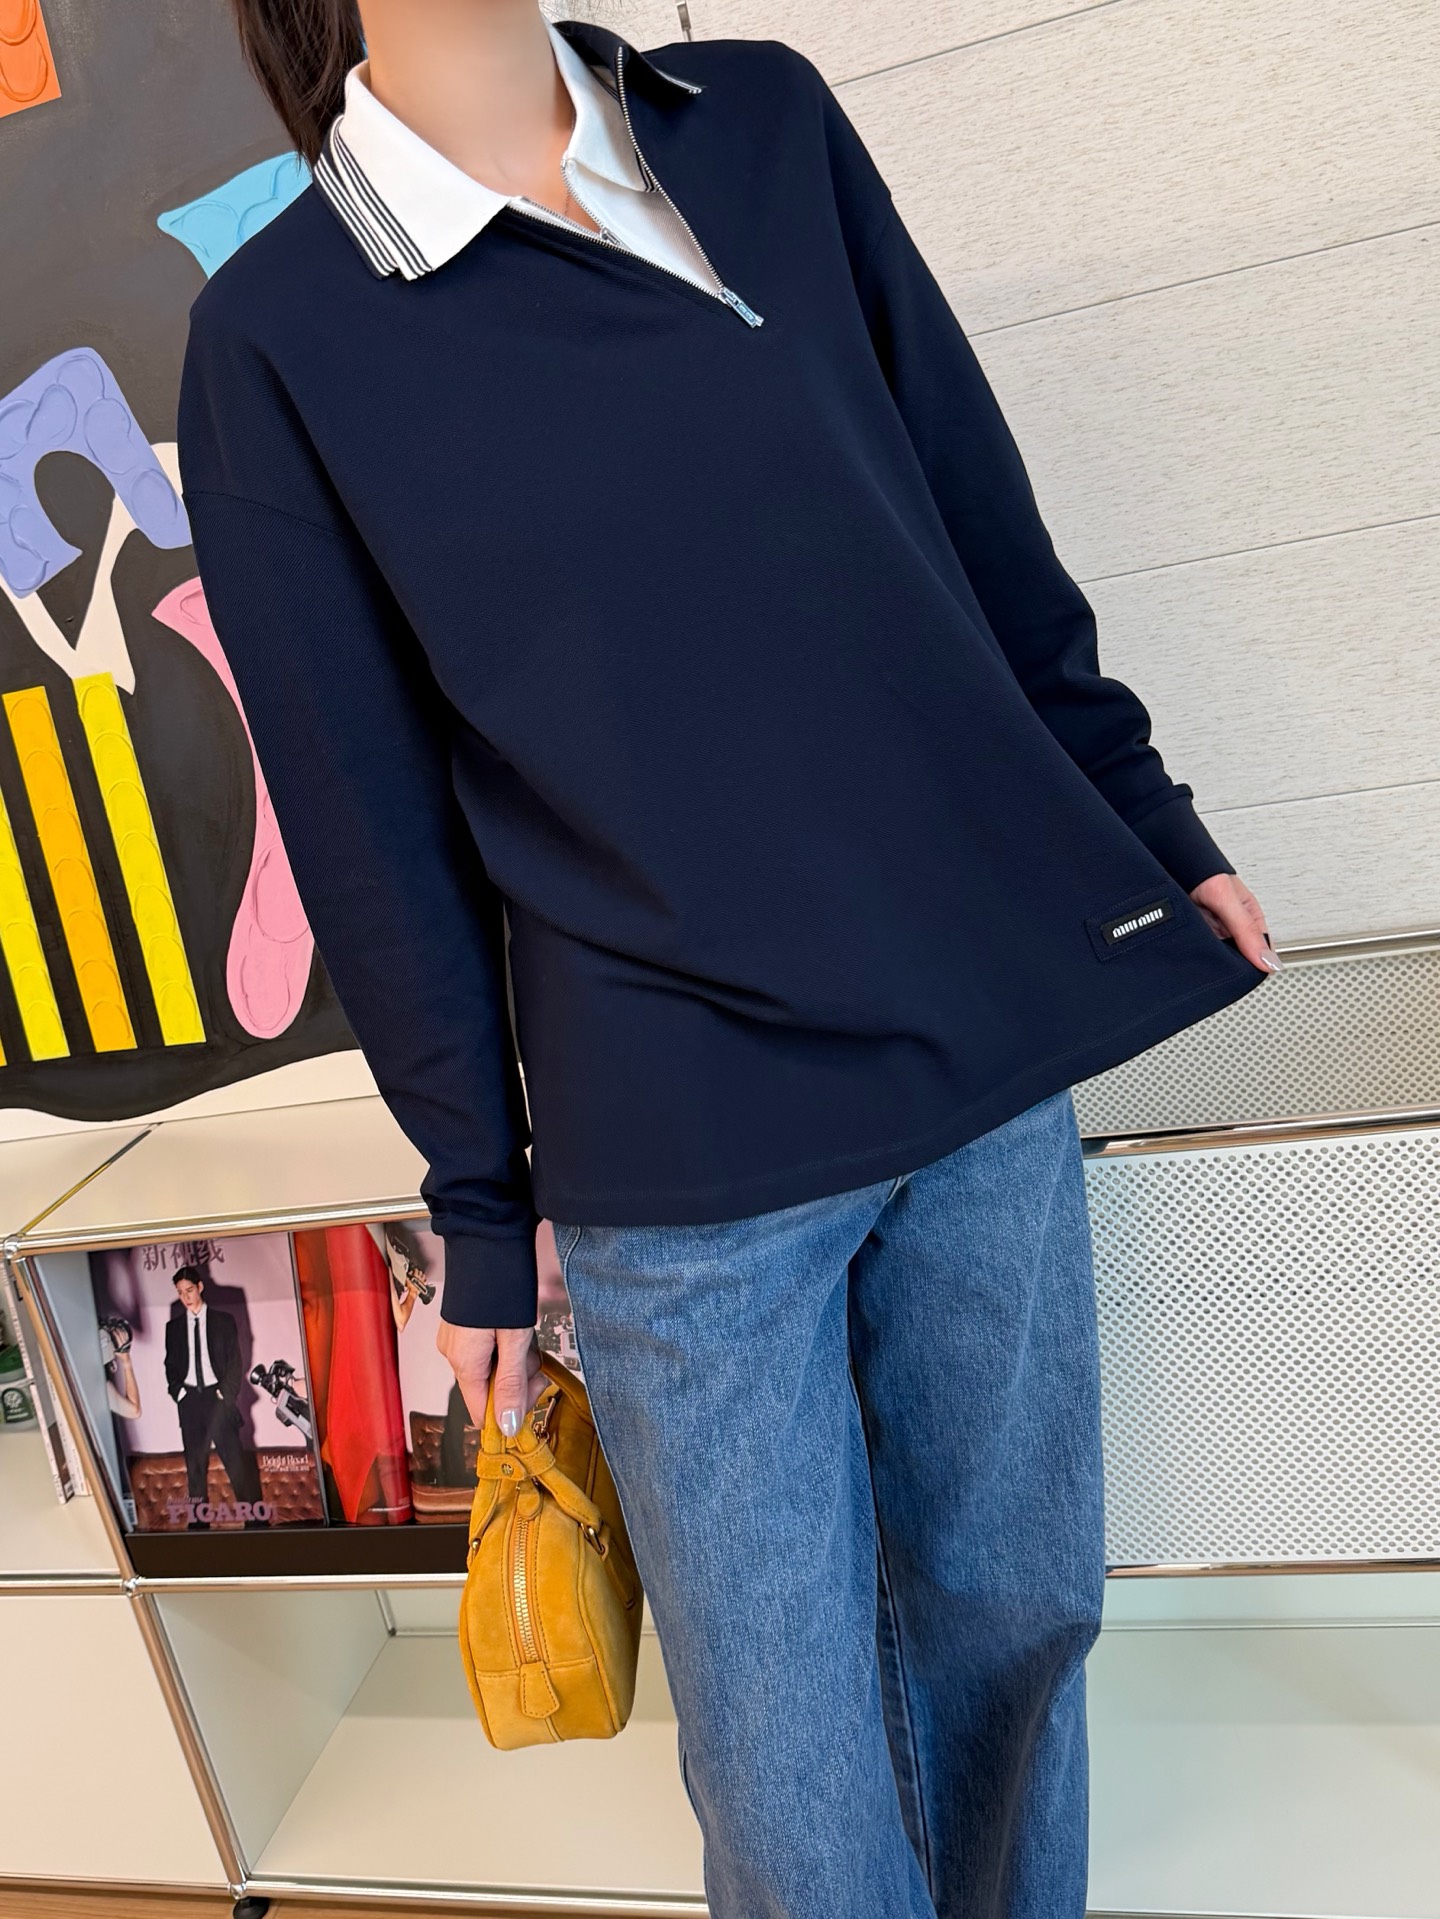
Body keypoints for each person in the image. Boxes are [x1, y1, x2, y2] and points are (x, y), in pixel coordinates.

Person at [180, 3, 1279, 1910]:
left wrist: (1146, 812)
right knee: (791, 1783)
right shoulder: (281, 331)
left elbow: (969, 515)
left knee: (1018, 1626)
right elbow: (370, 827)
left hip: (976, 1024)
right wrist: (480, 1202)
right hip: (682, 1141)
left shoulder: (756, 121)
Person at [163, 1264, 264, 1526]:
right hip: (190, 1401)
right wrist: (178, 1392)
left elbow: (235, 1362)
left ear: (200, 1287)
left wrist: (225, 1394)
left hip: (217, 1398)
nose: (185, 1297)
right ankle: (199, 1528)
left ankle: (255, 1524)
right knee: (195, 1468)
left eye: (189, 1290)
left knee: (235, 1463)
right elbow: (170, 1364)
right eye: (180, 1292)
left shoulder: (223, 1320)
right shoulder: (173, 1327)